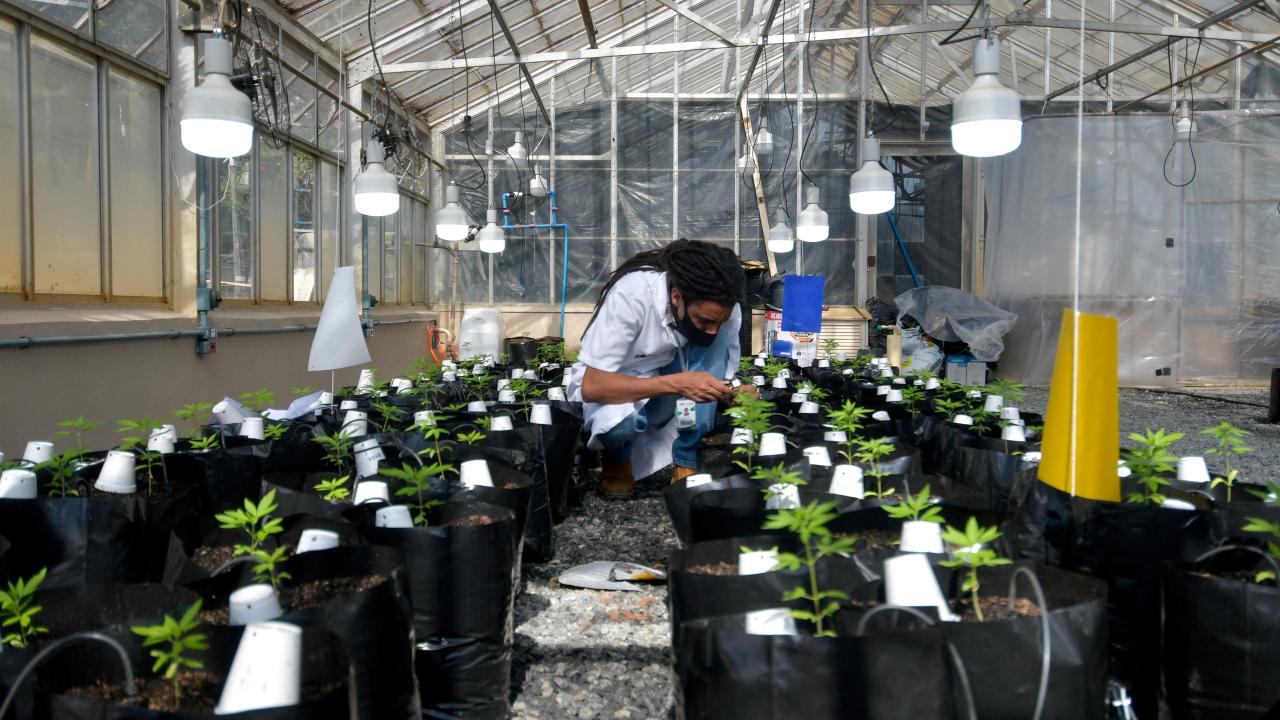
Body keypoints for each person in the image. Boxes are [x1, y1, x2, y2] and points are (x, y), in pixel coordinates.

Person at [567, 239, 747, 498]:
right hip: (618, 381)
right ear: (676, 297)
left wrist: (735, 390)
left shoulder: (721, 305)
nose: (713, 329)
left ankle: (686, 460)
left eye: (721, 321)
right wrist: (677, 383)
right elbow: (593, 385)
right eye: (704, 320)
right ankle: (617, 459)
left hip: (668, 376)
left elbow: (725, 373)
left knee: (712, 351)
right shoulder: (633, 295)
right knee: (618, 427)